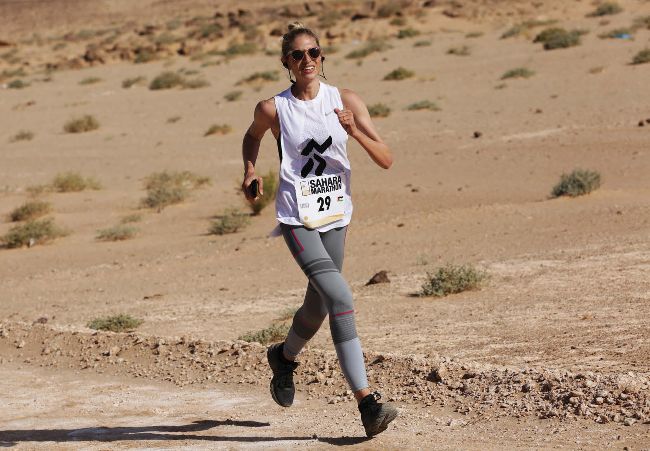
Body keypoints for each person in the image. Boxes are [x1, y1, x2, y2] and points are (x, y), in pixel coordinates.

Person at [240, 22, 397, 438]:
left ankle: (284, 357)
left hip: (336, 216)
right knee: (340, 296)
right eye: (297, 55)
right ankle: (367, 403)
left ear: (322, 56)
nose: (306, 60)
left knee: (319, 307)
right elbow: (252, 137)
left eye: (313, 52)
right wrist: (250, 170)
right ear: (286, 63)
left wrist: (354, 131)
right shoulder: (274, 108)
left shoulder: (345, 100)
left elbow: (386, 159)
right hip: (297, 218)